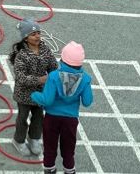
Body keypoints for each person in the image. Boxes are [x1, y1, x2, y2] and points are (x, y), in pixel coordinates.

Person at [31, 41, 93, 174]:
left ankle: (50, 169)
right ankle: (69, 170)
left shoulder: (53, 77)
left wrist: (35, 95)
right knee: (68, 149)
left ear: (63, 60)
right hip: (70, 120)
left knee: (50, 147)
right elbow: (87, 102)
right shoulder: (85, 79)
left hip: (52, 118)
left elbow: (47, 100)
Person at [8, 18, 58, 156]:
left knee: (38, 117)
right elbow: (21, 77)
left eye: (38, 33)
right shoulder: (21, 55)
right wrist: (40, 79)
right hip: (24, 94)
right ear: (25, 38)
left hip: (41, 94)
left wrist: (54, 77)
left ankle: (34, 138)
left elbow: (54, 66)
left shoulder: (45, 50)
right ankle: (18, 140)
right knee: (22, 118)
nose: (37, 36)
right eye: (33, 34)